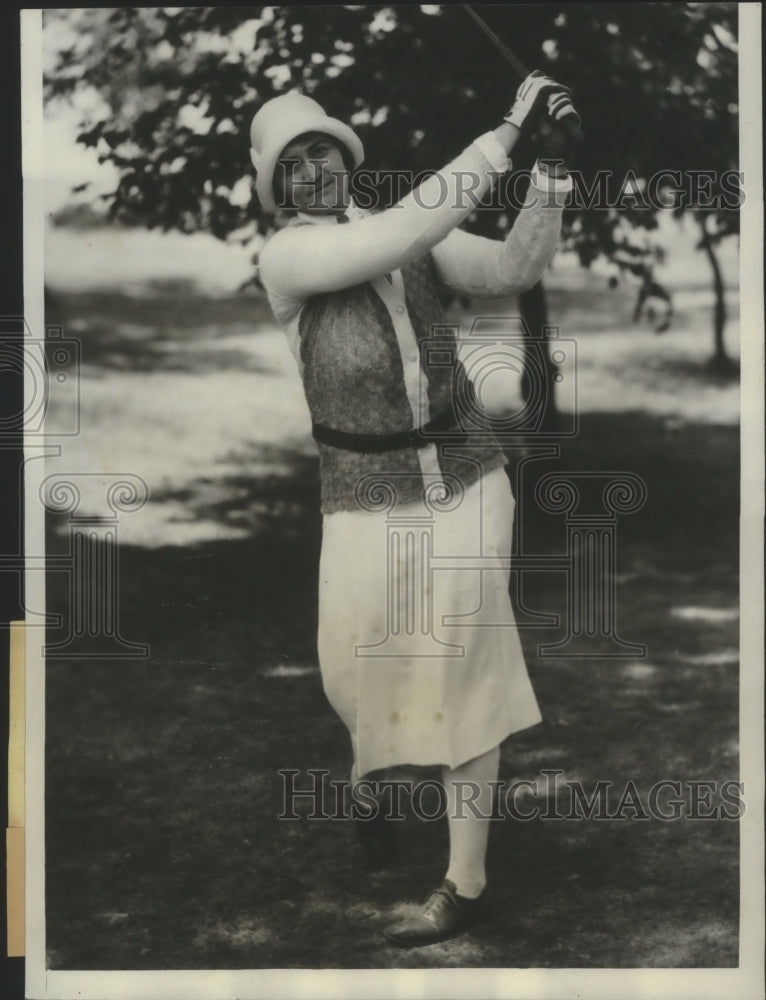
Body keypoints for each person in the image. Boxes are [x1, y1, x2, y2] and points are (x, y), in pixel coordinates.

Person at [250, 73, 579, 947]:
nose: (314, 167)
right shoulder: (286, 259)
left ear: (346, 158)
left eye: (324, 148)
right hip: (361, 495)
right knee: (351, 676)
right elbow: (404, 230)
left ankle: (463, 882)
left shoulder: (412, 230)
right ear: (278, 187)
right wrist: (507, 128)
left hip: (470, 475)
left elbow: (513, 267)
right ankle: (368, 774)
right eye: (295, 161)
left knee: (467, 670)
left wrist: (548, 171)